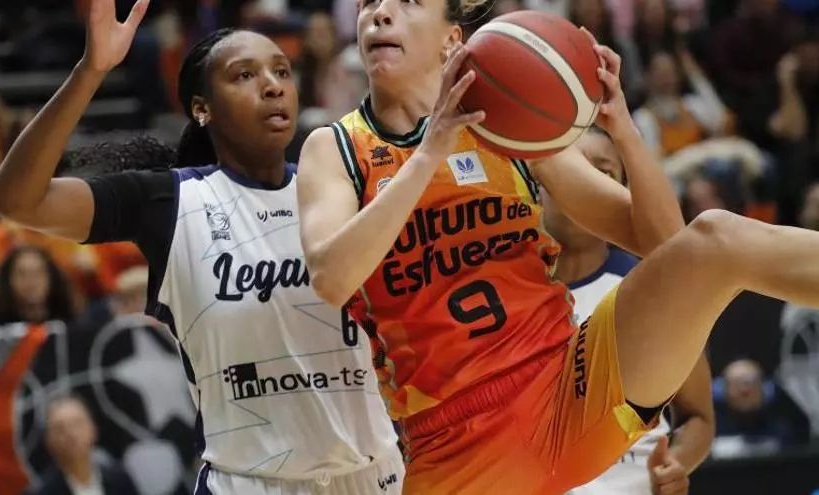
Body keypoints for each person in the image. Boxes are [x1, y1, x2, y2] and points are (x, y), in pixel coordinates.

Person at [295, 0, 819, 493]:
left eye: (408, 1)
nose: (380, 13)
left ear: (451, 39)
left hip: (570, 384)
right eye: (368, 2)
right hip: (453, 441)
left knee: (716, 238)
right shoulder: (336, 147)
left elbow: (664, 245)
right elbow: (332, 278)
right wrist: (429, 155)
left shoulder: (503, 121)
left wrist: (623, 129)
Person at [0, 1, 403, 494]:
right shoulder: (172, 201)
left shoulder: (348, 187)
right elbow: (17, 199)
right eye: (244, 74)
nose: (272, 85)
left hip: (378, 476)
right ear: (201, 108)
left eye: (281, 71)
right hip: (249, 483)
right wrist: (91, 71)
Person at [545, 129, 714, 495]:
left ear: (622, 193)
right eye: (574, 168)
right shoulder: (504, 291)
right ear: (540, 180)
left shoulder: (654, 287)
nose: (587, 184)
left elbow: (698, 416)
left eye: (603, 172)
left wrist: (677, 464)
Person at [28, 395, 139, 495]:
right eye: (59, 429)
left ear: (93, 429)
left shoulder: (120, 480)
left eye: (76, 424)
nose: (70, 434)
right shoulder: (41, 492)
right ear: (48, 440)